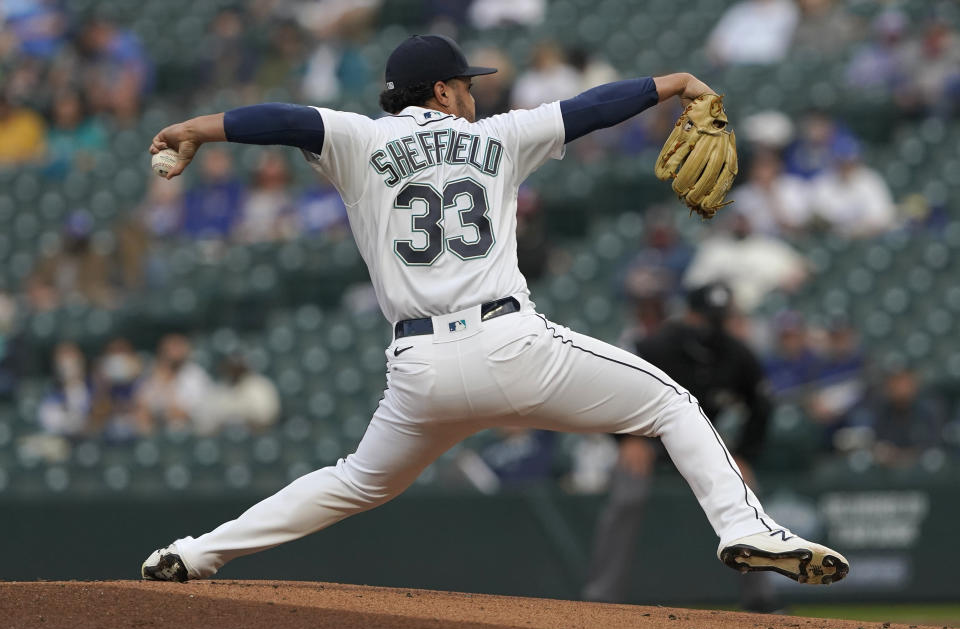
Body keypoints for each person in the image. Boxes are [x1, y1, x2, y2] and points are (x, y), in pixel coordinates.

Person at [141, 34, 848, 586]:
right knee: (670, 404)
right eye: (467, 85)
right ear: (444, 91)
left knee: (355, 481)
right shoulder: (497, 139)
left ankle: (197, 553)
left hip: (419, 372)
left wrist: (197, 129)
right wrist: (677, 84)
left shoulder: (359, 139)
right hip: (511, 344)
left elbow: (282, 120)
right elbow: (594, 107)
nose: (474, 96)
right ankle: (743, 527)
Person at [583, 283, 779, 612]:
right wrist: (626, 439)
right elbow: (609, 389)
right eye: (705, 318)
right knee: (626, 497)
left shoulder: (737, 353)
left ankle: (761, 599)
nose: (711, 326)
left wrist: (744, 454)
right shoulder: (656, 345)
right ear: (688, 314)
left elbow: (761, 407)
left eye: (719, 318)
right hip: (649, 437)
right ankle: (601, 597)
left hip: (702, 442)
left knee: (746, 495)